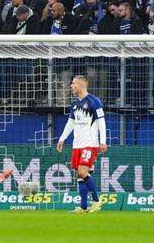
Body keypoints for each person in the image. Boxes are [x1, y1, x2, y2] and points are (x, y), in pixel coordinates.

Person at [56, 75, 107, 213]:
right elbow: (70, 122)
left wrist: (103, 141)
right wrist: (62, 138)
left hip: (90, 143)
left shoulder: (94, 101)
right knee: (79, 176)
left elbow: (101, 121)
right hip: (77, 144)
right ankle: (83, 207)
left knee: (83, 172)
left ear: (81, 85)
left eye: (73, 83)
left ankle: (96, 200)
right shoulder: (74, 103)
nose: (71, 86)